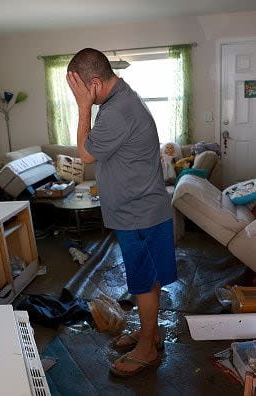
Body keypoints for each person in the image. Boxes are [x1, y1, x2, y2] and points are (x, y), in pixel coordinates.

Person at [66, 48, 177, 377]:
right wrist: (89, 102)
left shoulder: (117, 110)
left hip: (139, 213)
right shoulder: (121, 99)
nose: (76, 96)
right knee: (150, 279)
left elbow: (85, 154)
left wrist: (83, 107)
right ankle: (151, 334)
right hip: (144, 209)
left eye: (79, 89)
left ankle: (147, 349)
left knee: (143, 283)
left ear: (95, 83)